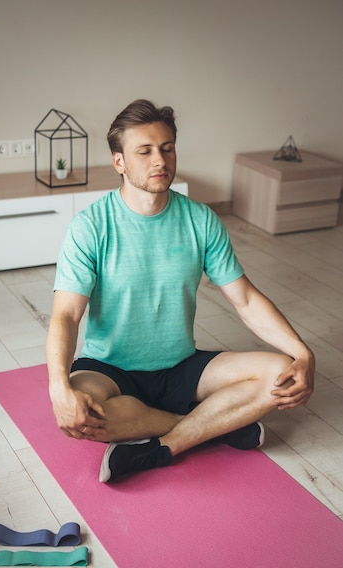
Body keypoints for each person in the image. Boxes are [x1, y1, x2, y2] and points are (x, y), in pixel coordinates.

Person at [46, 99, 315, 483]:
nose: (160, 160)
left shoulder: (200, 219)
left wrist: (302, 353)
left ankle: (164, 445)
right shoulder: (90, 226)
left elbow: (246, 299)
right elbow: (66, 315)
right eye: (145, 151)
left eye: (167, 148)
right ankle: (213, 426)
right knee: (84, 412)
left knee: (278, 372)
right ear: (119, 161)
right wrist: (58, 388)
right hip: (109, 369)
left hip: (180, 365)